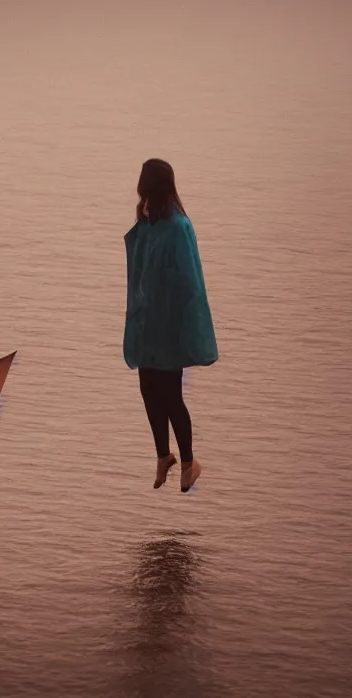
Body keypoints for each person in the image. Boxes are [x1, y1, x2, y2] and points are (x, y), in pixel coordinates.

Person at [123, 159, 218, 492]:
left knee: (171, 395)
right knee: (148, 390)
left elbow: (189, 280)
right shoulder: (150, 222)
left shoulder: (178, 226)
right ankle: (164, 455)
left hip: (170, 327)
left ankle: (190, 463)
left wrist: (183, 323)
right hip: (149, 324)